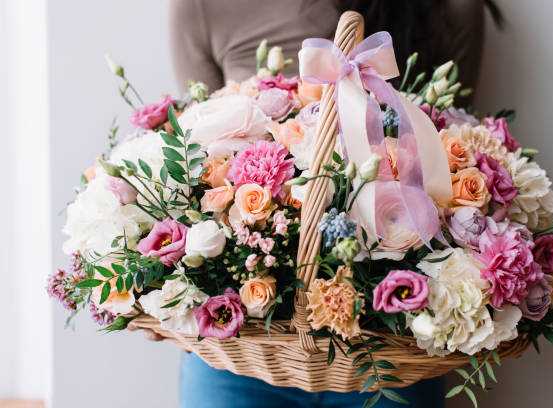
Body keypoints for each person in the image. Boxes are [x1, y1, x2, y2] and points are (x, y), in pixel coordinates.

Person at [131, 1, 502, 406]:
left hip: (388, 354)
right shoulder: (203, 7)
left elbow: (453, 160)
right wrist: (161, 294)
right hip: (239, 354)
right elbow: (193, 164)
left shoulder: (450, 8)